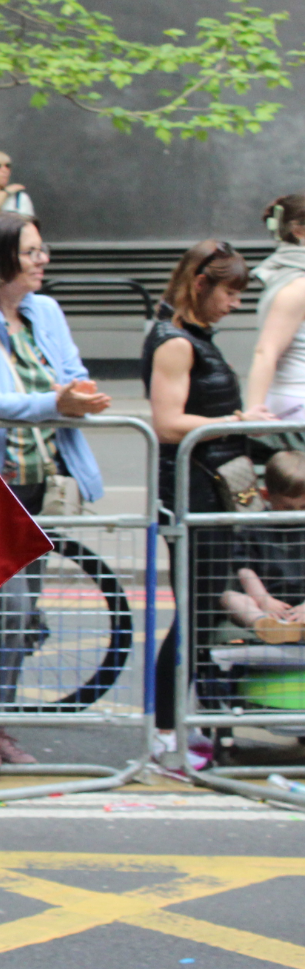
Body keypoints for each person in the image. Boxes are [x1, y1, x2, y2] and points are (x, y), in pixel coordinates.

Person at [0, 213, 108, 778]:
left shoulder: (46, 312)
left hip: (42, 483)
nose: (42, 260)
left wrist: (78, 393)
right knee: (9, 608)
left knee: (22, 611)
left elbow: (72, 372)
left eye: (42, 248)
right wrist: (52, 403)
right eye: (31, 251)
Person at [144, 238, 251, 765]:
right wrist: (229, 424)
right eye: (229, 292)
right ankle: (167, 732)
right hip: (192, 491)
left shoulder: (196, 336)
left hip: (209, 489)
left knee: (202, 612)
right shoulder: (176, 343)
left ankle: (184, 725)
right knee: (193, 615)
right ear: (200, 285)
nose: (235, 303)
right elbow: (166, 423)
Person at [218, 452, 305, 643]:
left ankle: (299, 629)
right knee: (229, 598)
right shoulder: (254, 524)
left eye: (303, 507)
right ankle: (263, 625)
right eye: (287, 508)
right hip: (267, 602)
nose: (296, 515)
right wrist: (264, 600)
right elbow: (245, 568)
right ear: (266, 495)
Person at [242, 193, 305, 420]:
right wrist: (253, 411)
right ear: (298, 231)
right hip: (297, 402)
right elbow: (266, 350)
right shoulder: (297, 285)